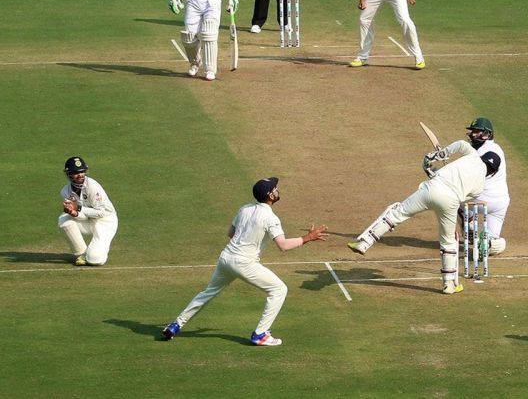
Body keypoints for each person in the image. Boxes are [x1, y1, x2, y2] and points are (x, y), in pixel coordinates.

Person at [162, 177, 328, 346]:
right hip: (245, 263)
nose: (278, 190)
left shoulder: (245, 209)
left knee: (207, 293)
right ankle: (260, 334)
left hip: (226, 259)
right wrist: (308, 238)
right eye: (275, 188)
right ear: (270, 195)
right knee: (279, 290)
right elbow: (283, 246)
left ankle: (175, 325)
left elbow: (230, 233)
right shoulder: (271, 218)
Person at [347, 142, 501, 294]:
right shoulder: (479, 187)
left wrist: (437, 156)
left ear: (483, 157)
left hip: (431, 188)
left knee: (397, 213)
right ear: (492, 172)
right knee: (448, 241)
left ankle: (365, 243)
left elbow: (461, 144)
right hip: (451, 202)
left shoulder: (473, 155)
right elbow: (461, 196)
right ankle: (448, 285)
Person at [440, 117, 510, 255]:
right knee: (489, 244)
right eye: (472, 131)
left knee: (450, 197)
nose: (472, 134)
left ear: (487, 134)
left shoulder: (492, 151)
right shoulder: (480, 150)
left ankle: (469, 221)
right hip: (500, 203)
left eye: (477, 131)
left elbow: (477, 170)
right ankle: (489, 241)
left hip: (481, 199)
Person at [58, 156, 118, 266]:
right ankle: (82, 253)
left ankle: (92, 255)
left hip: (106, 222)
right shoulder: (65, 191)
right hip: (89, 221)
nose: (80, 175)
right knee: (64, 220)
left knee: (95, 260)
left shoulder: (93, 186)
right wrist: (74, 213)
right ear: (68, 174)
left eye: (82, 171)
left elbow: (102, 213)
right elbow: (83, 216)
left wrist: (78, 208)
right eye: (76, 172)